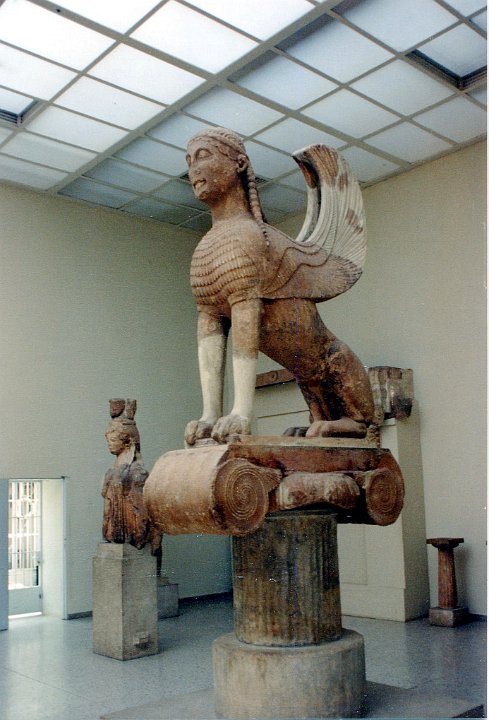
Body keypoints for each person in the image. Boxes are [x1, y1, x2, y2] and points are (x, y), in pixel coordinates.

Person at [184, 127, 374, 447]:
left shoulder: (253, 237)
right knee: (306, 378)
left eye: (203, 156)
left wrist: (241, 415)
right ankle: (212, 413)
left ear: (239, 164)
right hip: (308, 379)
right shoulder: (208, 245)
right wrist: (210, 417)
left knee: (334, 356)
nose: (193, 169)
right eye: (189, 161)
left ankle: (350, 421)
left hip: (329, 365)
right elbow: (211, 319)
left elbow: (246, 314)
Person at [102, 399, 160, 553]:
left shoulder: (137, 473)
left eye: (113, 440)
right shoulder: (112, 471)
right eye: (108, 440)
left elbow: (141, 511)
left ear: (127, 442)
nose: (109, 443)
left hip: (133, 535)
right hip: (114, 533)